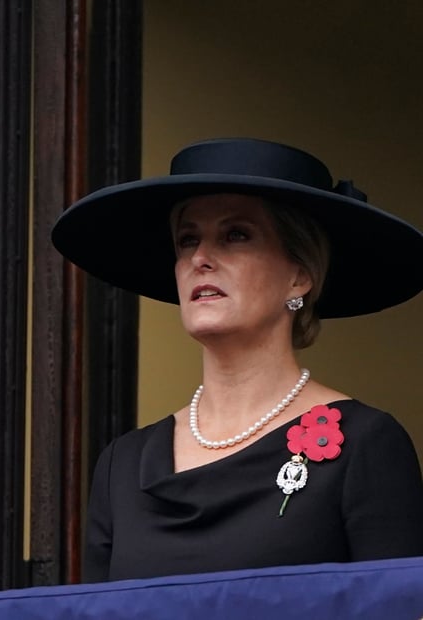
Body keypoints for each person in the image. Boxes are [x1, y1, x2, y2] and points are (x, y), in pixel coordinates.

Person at [51, 137, 423, 582]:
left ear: (299, 275)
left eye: (236, 235)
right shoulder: (122, 465)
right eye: (187, 240)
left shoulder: (365, 444)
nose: (201, 258)